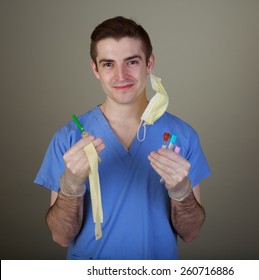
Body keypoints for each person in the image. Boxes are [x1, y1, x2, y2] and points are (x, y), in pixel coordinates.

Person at [34, 16, 211, 260]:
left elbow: (190, 233)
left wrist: (182, 191)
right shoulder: (69, 138)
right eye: (108, 64)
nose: (121, 75)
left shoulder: (183, 136)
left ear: (149, 63)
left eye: (131, 62)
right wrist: (71, 185)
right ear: (95, 69)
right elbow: (61, 236)